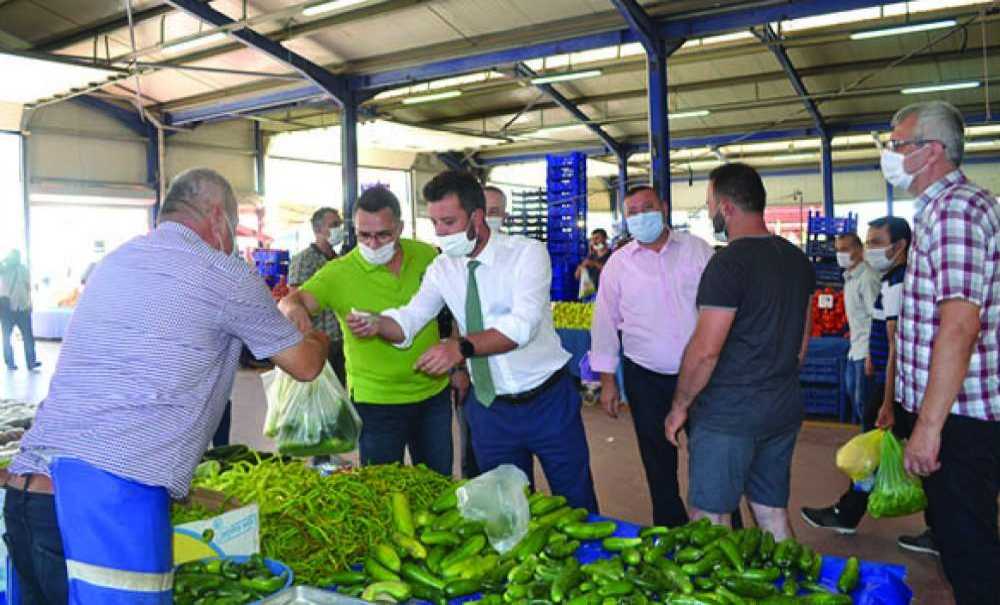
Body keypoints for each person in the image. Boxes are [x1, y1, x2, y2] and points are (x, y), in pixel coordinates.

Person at [1, 168, 327, 604]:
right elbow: (305, 366)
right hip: (104, 506)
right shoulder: (224, 272)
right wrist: (317, 335)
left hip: (26, 498)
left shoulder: (117, 261)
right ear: (217, 217)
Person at [348, 170, 598, 511]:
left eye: (449, 221)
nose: (440, 232)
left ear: (477, 217)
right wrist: (379, 323)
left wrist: (460, 348)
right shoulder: (442, 268)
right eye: (435, 223)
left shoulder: (526, 254)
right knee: (505, 509)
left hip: (547, 402)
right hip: (489, 408)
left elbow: (522, 326)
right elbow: (410, 318)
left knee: (576, 502)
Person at [883, 101, 1000, 604]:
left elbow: (958, 326)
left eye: (897, 144)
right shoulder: (943, 209)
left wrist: (929, 428)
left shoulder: (955, 211)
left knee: (968, 550)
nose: (890, 155)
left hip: (960, 419)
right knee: (962, 541)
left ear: (930, 151)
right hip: (955, 412)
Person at [665, 163, 815, 541]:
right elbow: (800, 347)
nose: (710, 213)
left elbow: (705, 352)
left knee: (709, 517)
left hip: (729, 415)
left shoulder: (728, 264)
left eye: (710, 204)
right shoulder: (796, 259)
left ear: (726, 208)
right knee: (770, 510)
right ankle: (788, 578)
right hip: (782, 406)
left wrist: (680, 406)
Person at [279, 187, 453, 477]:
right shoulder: (339, 273)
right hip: (377, 402)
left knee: (438, 480)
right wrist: (293, 310)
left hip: (432, 395)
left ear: (400, 228)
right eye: (364, 235)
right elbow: (292, 300)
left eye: (383, 235)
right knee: (380, 487)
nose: (373, 244)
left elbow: (456, 302)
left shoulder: (425, 255)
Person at [590, 186, 714, 527]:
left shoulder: (697, 250)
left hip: (702, 376)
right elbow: (604, 323)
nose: (641, 216)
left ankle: (721, 532)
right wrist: (607, 381)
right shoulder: (618, 265)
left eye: (648, 207)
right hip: (645, 377)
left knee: (714, 458)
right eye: (633, 212)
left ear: (664, 207)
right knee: (658, 461)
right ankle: (671, 531)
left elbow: (721, 310)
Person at [801, 219, 916, 536]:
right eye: (868, 241)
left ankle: (848, 513)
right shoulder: (891, 279)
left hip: (891, 383)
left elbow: (895, 344)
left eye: (877, 242)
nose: (870, 249)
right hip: (890, 380)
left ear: (900, 245)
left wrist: (888, 399)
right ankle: (849, 512)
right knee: (880, 449)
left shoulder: (896, 283)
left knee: (874, 449)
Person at [288, 206, 347, 385]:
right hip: (318, 342)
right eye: (334, 225)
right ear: (318, 229)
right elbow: (295, 303)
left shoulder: (340, 261)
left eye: (339, 224)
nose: (339, 229)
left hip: (341, 340)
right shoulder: (304, 260)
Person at [0, 250, 39, 371]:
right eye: (14, 256)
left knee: (28, 337)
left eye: (17, 256)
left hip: (23, 308)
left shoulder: (24, 269)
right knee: (6, 338)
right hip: (7, 309)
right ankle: (10, 363)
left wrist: (30, 303)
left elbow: (28, 287)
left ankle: (31, 361)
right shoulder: (4, 269)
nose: (16, 258)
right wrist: (5, 260)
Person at [574, 229, 612, 294]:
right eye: (592, 239)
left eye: (597, 238)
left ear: (605, 239)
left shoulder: (612, 255)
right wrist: (582, 266)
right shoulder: (590, 257)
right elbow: (576, 276)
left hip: (606, 293)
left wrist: (594, 263)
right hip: (590, 294)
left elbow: (611, 272)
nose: (594, 241)